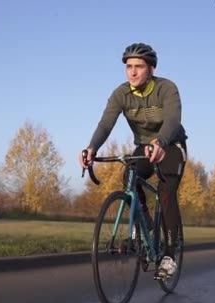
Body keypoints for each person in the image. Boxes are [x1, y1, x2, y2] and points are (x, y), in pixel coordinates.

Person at [78, 42, 188, 278]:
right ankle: (146, 225)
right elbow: (106, 123)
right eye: (129, 67)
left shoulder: (167, 89)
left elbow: (172, 120)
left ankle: (169, 254)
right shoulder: (121, 94)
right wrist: (91, 147)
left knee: (166, 191)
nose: (133, 72)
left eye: (139, 66)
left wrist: (161, 142)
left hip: (171, 145)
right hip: (144, 147)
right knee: (129, 175)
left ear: (151, 69)